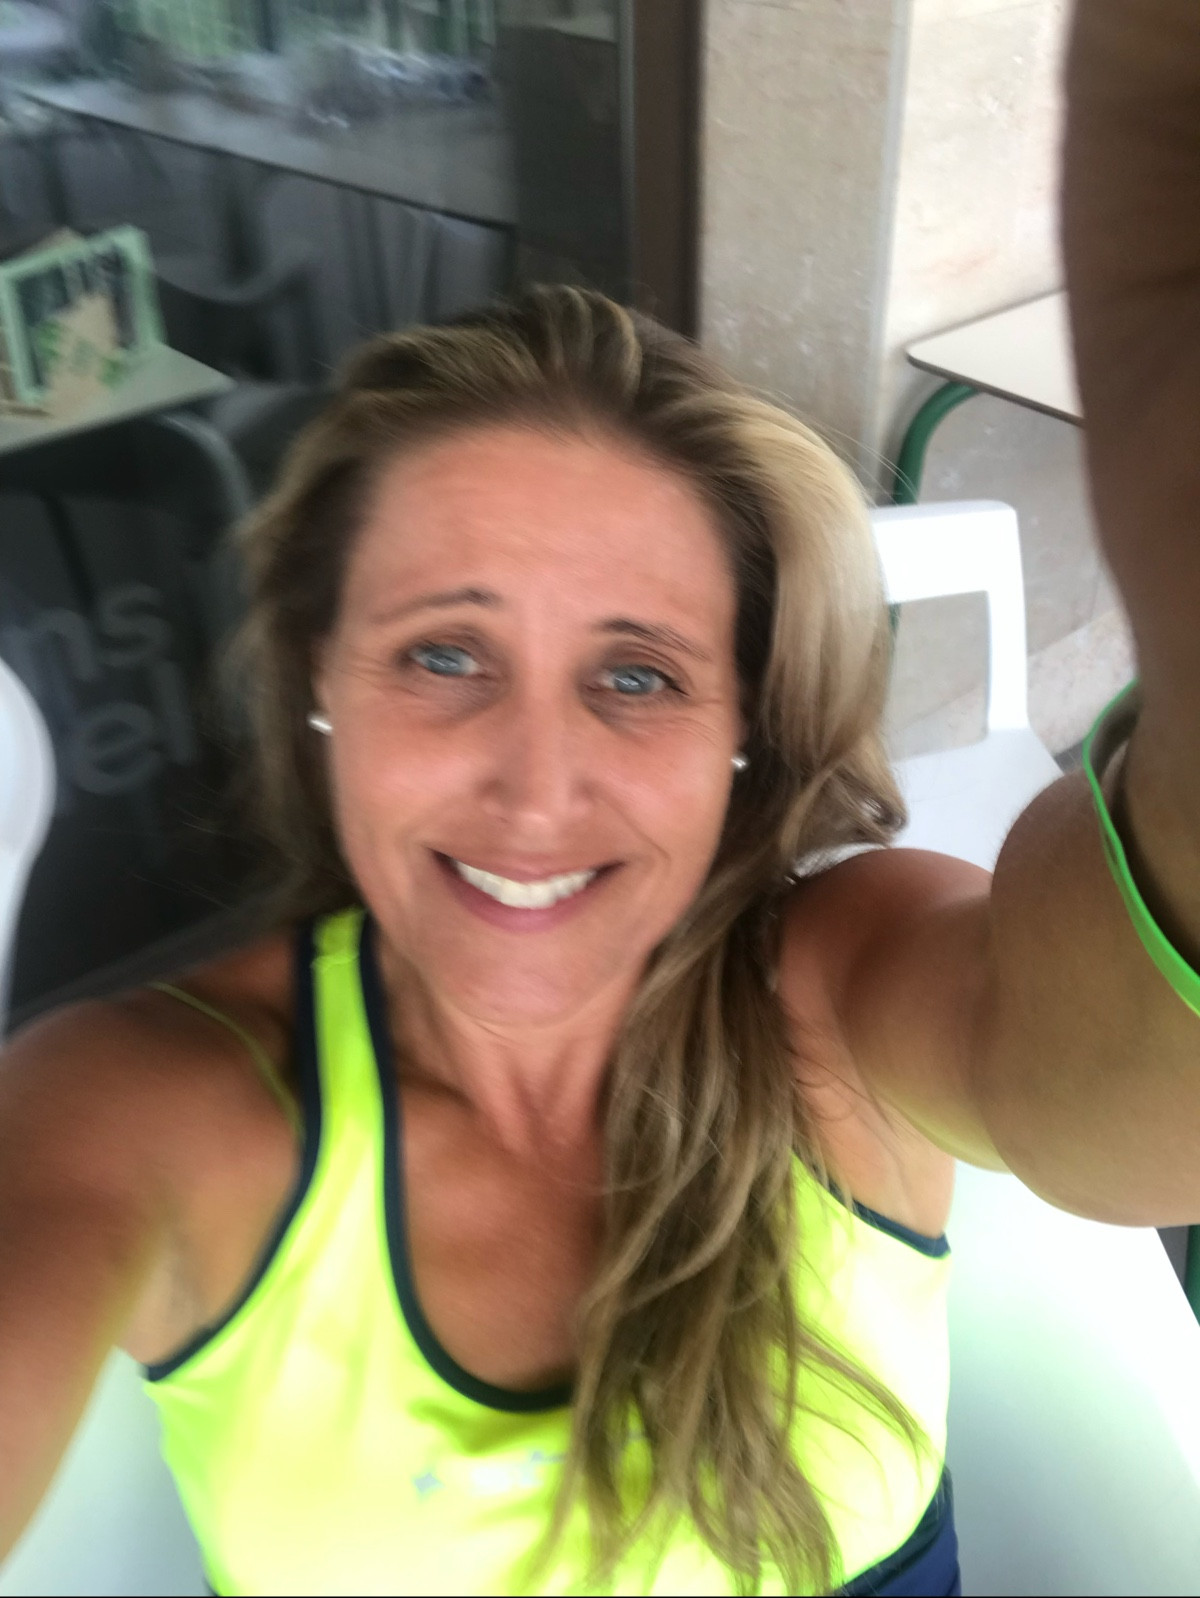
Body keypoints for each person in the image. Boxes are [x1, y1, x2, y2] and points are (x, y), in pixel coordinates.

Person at [1, 2, 1198, 1592]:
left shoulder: (836, 992)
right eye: (443, 653)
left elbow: (1132, 1119)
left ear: (744, 731)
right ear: (318, 683)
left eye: (637, 674)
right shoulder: (147, 1101)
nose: (536, 780)